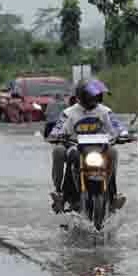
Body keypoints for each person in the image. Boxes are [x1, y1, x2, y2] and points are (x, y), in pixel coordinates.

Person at [48, 79, 127, 214]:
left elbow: (117, 126)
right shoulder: (69, 112)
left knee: (113, 152)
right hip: (76, 148)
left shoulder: (105, 111)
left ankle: (113, 195)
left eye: (95, 96)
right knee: (59, 151)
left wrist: (124, 134)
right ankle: (61, 193)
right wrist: (56, 135)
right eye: (90, 96)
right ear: (81, 96)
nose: (93, 99)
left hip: (100, 149)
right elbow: (58, 127)